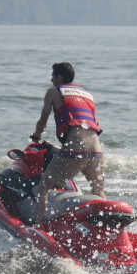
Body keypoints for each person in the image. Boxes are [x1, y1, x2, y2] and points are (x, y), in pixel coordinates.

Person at [31, 62, 106, 225]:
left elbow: (44, 118)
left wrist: (36, 135)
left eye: (53, 76)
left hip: (76, 145)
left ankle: (39, 227)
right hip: (96, 149)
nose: (51, 80)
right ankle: (105, 229)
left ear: (59, 77)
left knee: (43, 185)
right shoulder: (88, 95)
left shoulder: (53, 91)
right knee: (98, 190)